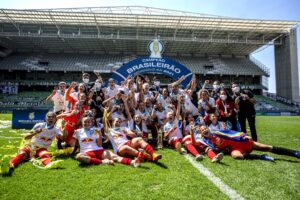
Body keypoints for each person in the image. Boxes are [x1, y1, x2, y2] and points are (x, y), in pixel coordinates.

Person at [1, 112, 65, 175]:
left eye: (52, 117)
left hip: (42, 148)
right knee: (22, 154)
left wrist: (63, 127)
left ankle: (49, 164)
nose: (50, 118)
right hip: (30, 146)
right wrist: (35, 132)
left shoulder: (56, 129)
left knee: (44, 154)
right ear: (46, 118)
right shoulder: (39, 125)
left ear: (55, 119)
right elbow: (26, 137)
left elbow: (63, 138)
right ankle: (8, 166)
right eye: (49, 117)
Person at [200, 125, 300, 161]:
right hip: (236, 149)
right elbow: (214, 150)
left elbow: (232, 133)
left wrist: (243, 136)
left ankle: (295, 153)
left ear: (208, 129)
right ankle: (261, 157)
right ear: (202, 134)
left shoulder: (217, 133)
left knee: (267, 147)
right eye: (202, 130)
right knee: (237, 156)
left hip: (242, 142)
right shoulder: (208, 143)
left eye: (205, 128)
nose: (204, 130)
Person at [74, 117, 140, 167]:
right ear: (82, 123)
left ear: (91, 123)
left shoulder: (95, 130)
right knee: (79, 157)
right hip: (87, 152)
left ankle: (132, 162)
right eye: (85, 122)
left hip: (98, 150)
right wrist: (74, 151)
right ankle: (103, 162)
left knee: (115, 157)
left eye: (88, 122)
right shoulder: (77, 132)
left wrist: (99, 134)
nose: (87, 123)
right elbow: (76, 143)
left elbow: (99, 145)